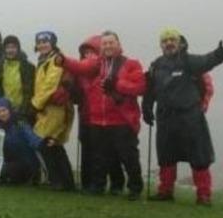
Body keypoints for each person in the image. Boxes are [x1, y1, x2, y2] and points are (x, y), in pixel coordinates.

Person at [142, 29, 223, 206]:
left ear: (180, 43)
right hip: (166, 118)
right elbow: (150, 90)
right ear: (161, 45)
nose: (169, 43)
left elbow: (206, 61)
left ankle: (203, 195)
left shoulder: (189, 61)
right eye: (165, 41)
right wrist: (146, 108)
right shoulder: (156, 65)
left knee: (199, 157)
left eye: (172, 40)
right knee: (166, 156)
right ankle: (165, 191)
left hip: (190, 117)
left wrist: (219, 55)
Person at [59, 31, 146, 200]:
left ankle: (135, 188)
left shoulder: (131, 64)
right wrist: (63, 60)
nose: (107, 46)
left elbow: (140, 87)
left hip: (122, 119)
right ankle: (98, 186)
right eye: (104, 44)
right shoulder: (97, 64)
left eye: (111, 42)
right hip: (98, 119)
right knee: (99, 156)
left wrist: (118, 84)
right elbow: (80, 66)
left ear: (118, 44)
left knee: (128, 157)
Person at [72, 35, 124, 192]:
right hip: (85, 115)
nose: (88, 55)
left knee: (108, 151)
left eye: (91, 51)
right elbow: (76, 97)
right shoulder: (80, 73)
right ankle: (88, 183)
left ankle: (116, 183)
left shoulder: (106, 70)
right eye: (85, 52)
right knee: (87, 149)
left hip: (105, 117)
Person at [31, 31, 76, 191]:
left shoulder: (56, 60)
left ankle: (59, 181)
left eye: (45, 42)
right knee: (53, 144)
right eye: (40, 42)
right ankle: (65, 182)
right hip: (47, 107)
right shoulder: (44, 60)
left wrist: (36, 104)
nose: (42, 45)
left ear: (52, 43)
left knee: (48, 143)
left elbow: (50, 84)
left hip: (54, 107)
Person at [0, 98, 48, 185]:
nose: (1, 114)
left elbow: (33, 139)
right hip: (10, 162)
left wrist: (44, 143)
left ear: (10, 110)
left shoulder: (20, 124)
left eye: (4, 110)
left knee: (2, 172)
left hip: (27, 163)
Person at [0, 35, 36, 122]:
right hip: (5, 112)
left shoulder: (28, 66)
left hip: (23, 112)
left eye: (13, 47)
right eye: (7, 47)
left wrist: (23, 111)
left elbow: (29, 91)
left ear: (18, 49)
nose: (10, 50)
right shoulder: (1, 66)